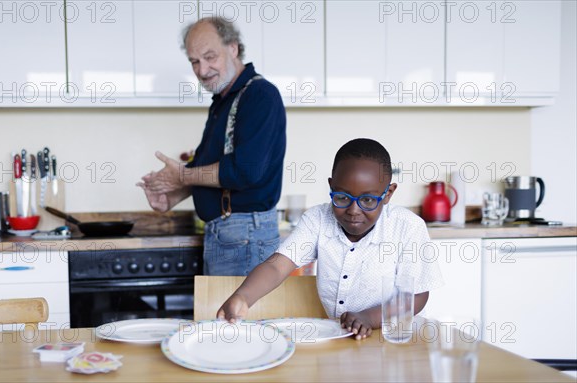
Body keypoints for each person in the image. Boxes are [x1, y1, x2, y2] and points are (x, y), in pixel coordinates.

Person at [217, 138, 444, 339]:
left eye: (367, 200)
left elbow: (417, 295)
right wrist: (243, 297)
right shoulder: (317, 219)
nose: (354, 210)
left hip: (397, 339)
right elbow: (277, 266)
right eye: (343, 197)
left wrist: (369, 318)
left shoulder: (408, 227)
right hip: (342, 337)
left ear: (388, 193)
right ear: (331, 186)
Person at [137, 17, 286, 276]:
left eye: (209, 57)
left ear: (233, 48)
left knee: (237, 318)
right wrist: (172, 196)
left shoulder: (259, 95)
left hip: (245, 236)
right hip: (230, 235)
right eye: (194, 61)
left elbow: (245, 170)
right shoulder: (223, 100)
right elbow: (209, 168)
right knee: (222, 317)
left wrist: (182, 175)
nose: (202, 70)